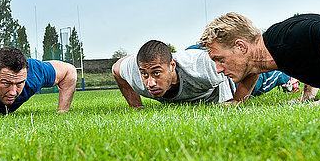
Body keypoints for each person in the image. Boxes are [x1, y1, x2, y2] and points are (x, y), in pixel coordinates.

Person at [111, 40, 295, 108]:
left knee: (269, 72)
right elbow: (117, 68)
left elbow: (253, 65)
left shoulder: (205, 69)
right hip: (193, 55)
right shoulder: (135, 73)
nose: (150, 83)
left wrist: (238, 100)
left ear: (171, 65)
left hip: (222, 77)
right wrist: (136, 106)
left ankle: (288, 78)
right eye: (145, 74)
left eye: (157, 74)